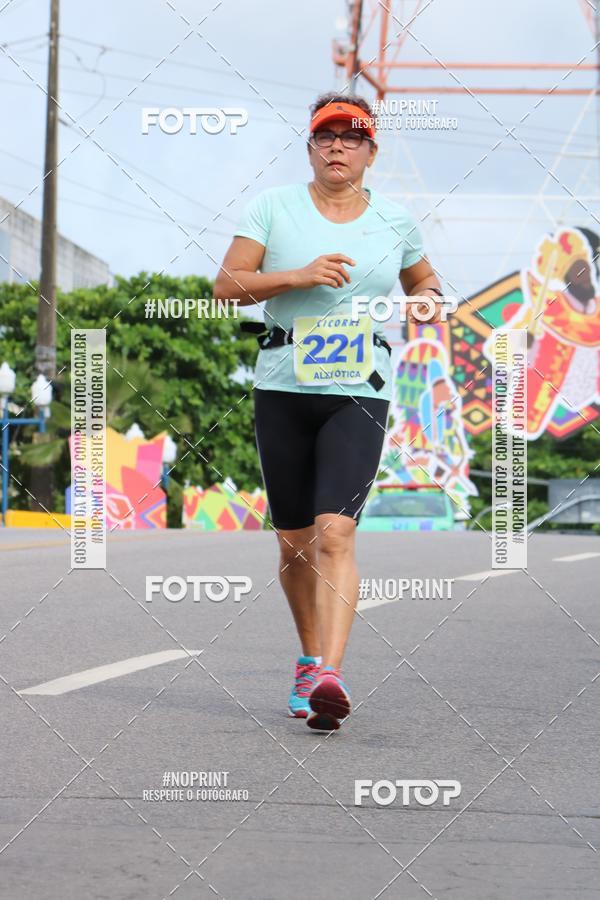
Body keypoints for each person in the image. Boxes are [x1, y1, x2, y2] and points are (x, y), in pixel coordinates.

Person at [214, 92, 443, 731]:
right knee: (294, 545)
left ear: (372, 151)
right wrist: (298, 276)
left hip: (358, 390)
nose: (337, 145)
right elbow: (226, 285)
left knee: (335, 532)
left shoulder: (396, 221)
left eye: (351, 136)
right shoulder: (272, 207)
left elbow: (424, 280)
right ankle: (309, 656)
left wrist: (427, 299)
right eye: (326, 136)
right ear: (310, 147)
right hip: (283, 386)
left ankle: (330, 675)